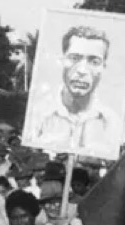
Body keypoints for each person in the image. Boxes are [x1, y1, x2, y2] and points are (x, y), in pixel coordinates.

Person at [26, 25, 119, 155]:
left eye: (94, 61)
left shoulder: (113, 123)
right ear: (62, 61)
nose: (82, 70)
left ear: (103, 67)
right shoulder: (36, 115)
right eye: (74, 58)